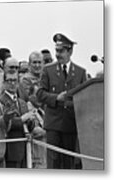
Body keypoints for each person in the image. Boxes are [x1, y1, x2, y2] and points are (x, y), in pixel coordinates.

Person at [37, 33, 87, 169]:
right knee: (54, 164)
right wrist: (56, 98)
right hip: (53, 125)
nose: (58, 54)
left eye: (61, 51)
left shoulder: (81, 72)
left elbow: (85, 97)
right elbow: (40, 94)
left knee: (69, 164)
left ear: (70, 51)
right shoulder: (48, 70)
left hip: (71, 125)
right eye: (56, 51)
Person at [0, 70, 36, 168]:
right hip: (10, 148)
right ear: (4, 83)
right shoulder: (0, 101)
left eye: (15, 80)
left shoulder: (22, 102)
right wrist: (22, 119)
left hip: (25, 148)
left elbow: (30, 126)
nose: (12, 83)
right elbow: (5, 122)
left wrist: (31, 121)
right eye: (9, 80)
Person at [20, 51, 46, 168]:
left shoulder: (46, 77)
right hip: (33, 118)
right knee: (37, 163)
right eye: (34, 62)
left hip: (46, 117)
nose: (37, 65)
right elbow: (31, 99)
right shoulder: (25, 80)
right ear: (29, 64)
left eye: (39, 62)